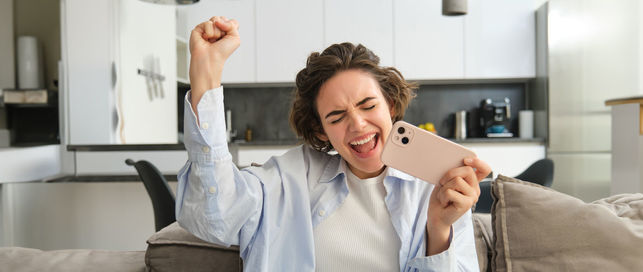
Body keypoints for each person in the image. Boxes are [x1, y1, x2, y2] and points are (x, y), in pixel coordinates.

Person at [176, 16, 492, 271]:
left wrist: (439, 228)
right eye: (337, 116)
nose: (357, 124)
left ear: (391, 107)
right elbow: (212, 217)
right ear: (322, 130)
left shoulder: (433, 186)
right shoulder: (288, 179)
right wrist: (206, 75)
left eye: (368, 106)